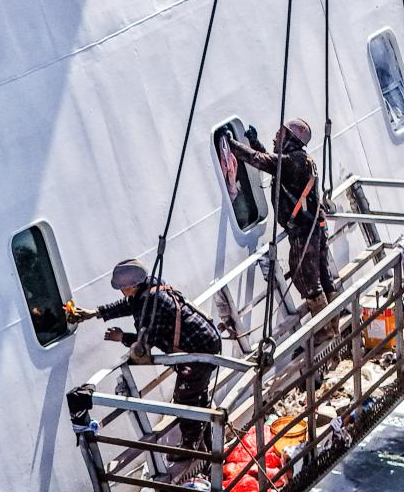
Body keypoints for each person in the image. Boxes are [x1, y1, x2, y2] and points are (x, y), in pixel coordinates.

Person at [70, 259, 222, 460]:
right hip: (205, 340)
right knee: (198, 395)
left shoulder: (151, 305)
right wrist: (96, 313)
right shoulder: (150, 288)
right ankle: (205, 443)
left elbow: (146, 344)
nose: (121, 292)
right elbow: (128, 305)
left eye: (122, 288)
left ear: (132, 286)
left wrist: (121, 337)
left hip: (198, 350)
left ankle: (191, 447)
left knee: (185, 397)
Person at [226, 119, 338, 345]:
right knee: (323, 277)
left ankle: (325, 331)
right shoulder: (298, 160)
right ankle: (333, 323)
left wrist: (231, 144)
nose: (275, 137)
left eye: (280, 134)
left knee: (308, 280)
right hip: (313, 226)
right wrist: (254, 142)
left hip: (304, 231)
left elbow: (261, 161)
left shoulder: (293, 161)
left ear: (291, 139)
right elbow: (273, 161)